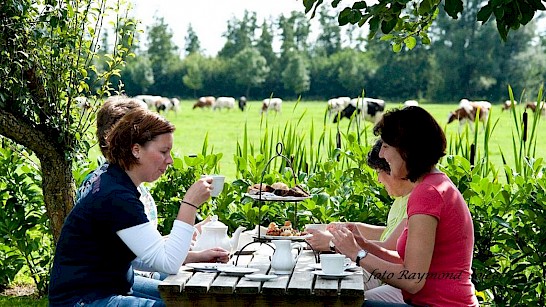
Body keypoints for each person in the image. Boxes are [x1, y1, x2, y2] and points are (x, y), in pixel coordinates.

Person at [49, 108, 220, 306]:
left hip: (99, 290)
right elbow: (169, 263)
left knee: (189, 298)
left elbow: (142, 254)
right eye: (164, 151)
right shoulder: (116, 196)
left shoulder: (114, 182)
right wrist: (189, 204)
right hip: (83, 300)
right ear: (136, 150)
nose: (170, 160)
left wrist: (194, 257)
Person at [330, 106, 479, 306]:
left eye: (386, 146)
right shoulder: (434, 185)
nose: (382, 154)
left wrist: (357, 254)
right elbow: (406, 263)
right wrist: (362, 244)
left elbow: (412, 279)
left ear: (407, 150)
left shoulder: (428, 194)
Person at [305, 139, 411, 303]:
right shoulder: (402, 198)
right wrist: (356, 228)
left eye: (378, 172)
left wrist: (335, 243)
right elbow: (392, 233)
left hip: (400, 281)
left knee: (334, 291)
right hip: (393, 276)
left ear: (392, 168)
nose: (378, 180)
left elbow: (391, 249)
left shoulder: (418, 199)